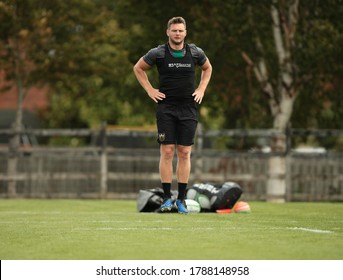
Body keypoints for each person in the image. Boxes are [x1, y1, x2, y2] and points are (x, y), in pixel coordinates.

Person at [133, 16, 212, 214]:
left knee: (184, 152)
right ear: (168, 32)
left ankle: (182, 200)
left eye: (181, 31)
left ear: (185, 33)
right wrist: (150, 90)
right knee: (167, 151)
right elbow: (138, 68)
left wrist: (201, 89)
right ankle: (167, 199)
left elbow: (208, 68)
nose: (178, 33)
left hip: (188, 108)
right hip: (166, 108)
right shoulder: (158, 53)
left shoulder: (195, 52)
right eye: (174, 30)